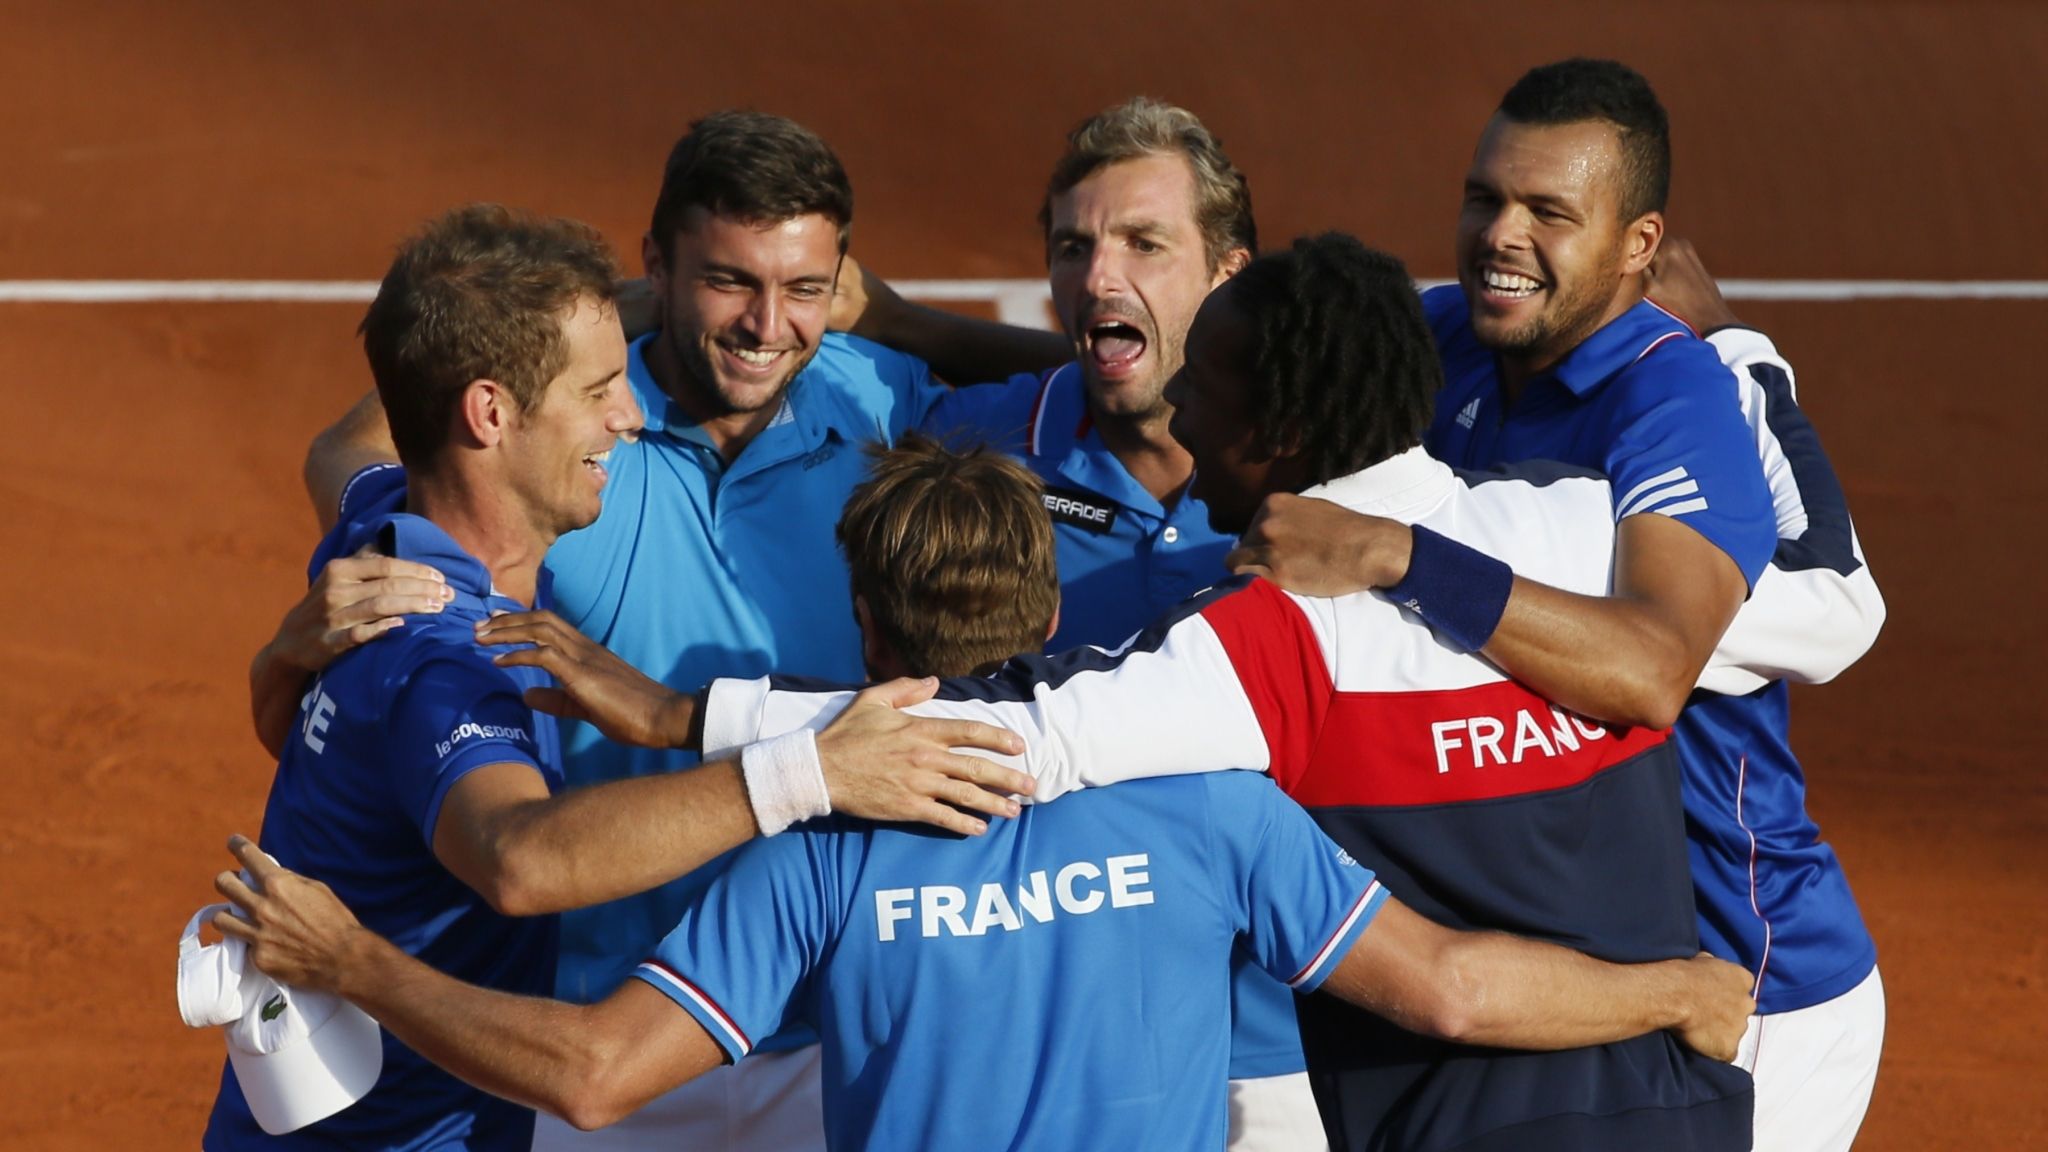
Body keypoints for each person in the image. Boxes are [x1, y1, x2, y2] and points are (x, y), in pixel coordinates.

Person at [488, 234, 1768, 1151]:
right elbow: (1797, 605)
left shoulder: (1243, 662)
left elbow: (985, 742)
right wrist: (1682, 988)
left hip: (1461, 1120)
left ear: (1276, 426)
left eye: (1203, 393)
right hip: (1680, 1103)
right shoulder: (1576, 530)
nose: (1179, 427)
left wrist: (681, 720)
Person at [209, 432, 1757, 1152]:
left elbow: (597, 1080)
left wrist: (355, 965)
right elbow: (1459, 996)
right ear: (1042, 613)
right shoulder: (1208, 805)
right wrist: (1676, 985)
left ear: (867, 629)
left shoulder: (821, 841)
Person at [252, 112, 1057, 1151]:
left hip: (827, 1022)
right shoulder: (561, 437)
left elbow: (1126, 405)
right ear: (657, 270)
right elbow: (370, 440)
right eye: (727, 281)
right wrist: (574, 318)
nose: (768, 326)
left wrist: (909, 324)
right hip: (596, 1023)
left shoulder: (884, 401)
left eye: (806, 289)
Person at [1228, 62, 1885, 1152]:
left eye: (1547, 212)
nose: (1499, 234)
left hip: (1742, 981)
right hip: (1572, 969)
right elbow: (1216, 374)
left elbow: (1650, 672)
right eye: (1484, 198)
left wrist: (1399, 553)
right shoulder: (1445, 343)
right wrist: (919, 335)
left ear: (1635, 245)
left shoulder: (1669, 407)